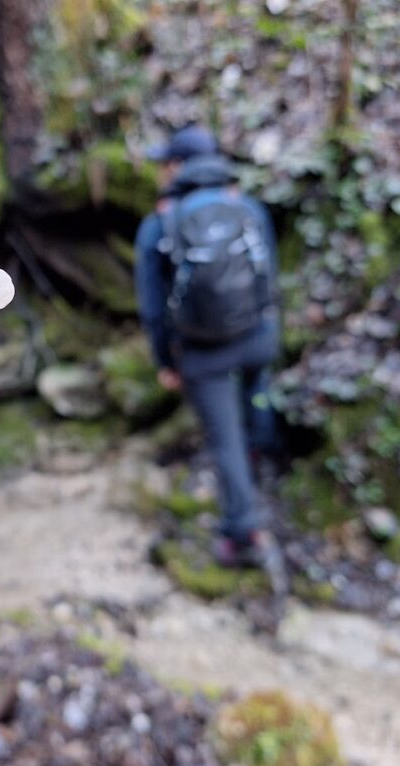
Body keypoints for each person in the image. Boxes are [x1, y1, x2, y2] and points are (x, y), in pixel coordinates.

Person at [134, 124, 281, 569]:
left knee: (224, 440)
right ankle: (267, 454)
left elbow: (154, 310)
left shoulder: (160, 225)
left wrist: (166, 360)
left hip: (204, 355)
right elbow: (268, 276)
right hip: (258, 339)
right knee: (256, 395)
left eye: (165, 163)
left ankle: (242, 534)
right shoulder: (248, 207)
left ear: (178, 167)